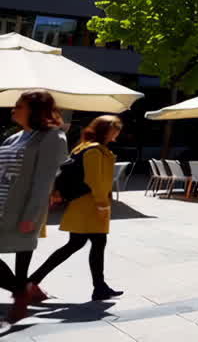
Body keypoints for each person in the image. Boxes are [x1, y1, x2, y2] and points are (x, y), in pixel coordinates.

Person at [28, 115, 124, 307]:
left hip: (83, 206)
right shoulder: (94, 151)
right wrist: (102, 204)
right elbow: (94, 180)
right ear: (106, 131)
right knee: (87, 244)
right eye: (115, 129)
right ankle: (33, 281)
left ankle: (99, 287)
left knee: (82, 244)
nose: (117, 133)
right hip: (89, 206)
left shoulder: (84, 147)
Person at [0, 91, 67, 323]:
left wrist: (31, 215)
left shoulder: (52, 138)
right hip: (1, 203)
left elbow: (44, 181)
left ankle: (21, 293)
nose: (13, 109)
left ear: (34, 110)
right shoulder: (14, 137)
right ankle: (23, 290)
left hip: (20, 207)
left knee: (22, 252)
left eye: (19, 106)